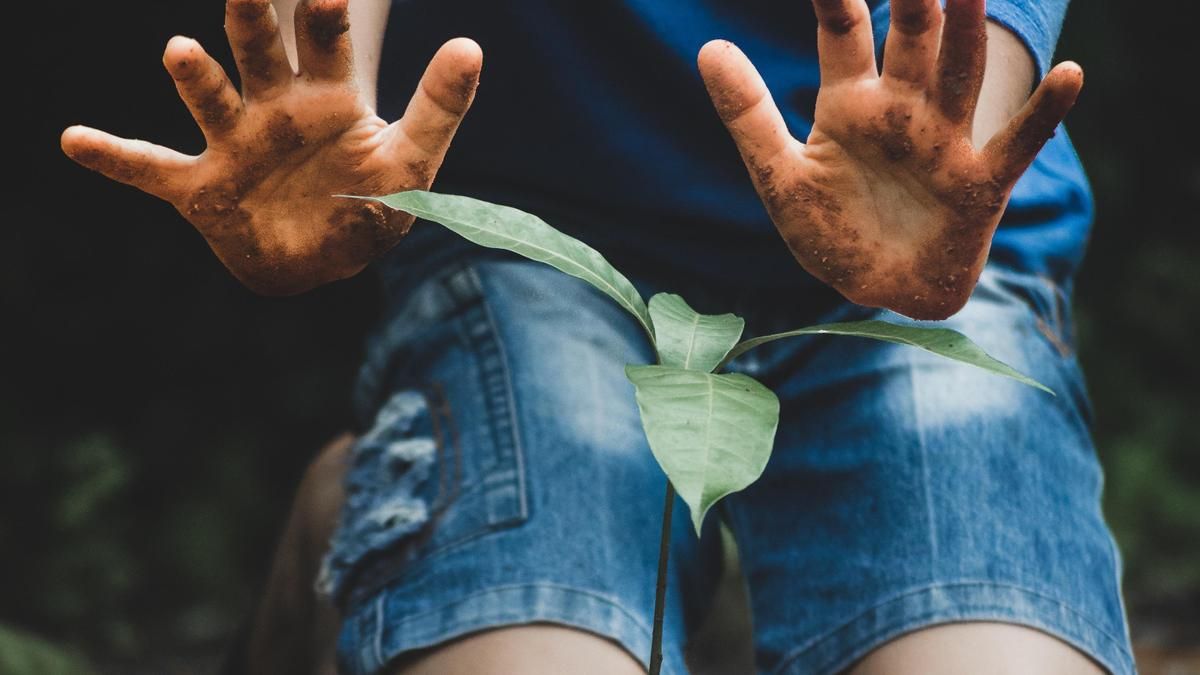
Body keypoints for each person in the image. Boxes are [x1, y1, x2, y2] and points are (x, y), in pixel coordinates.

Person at [61, 0, 1134, 673]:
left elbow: (961, 70)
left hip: (916, 262)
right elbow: (324, 44)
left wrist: (952, 151)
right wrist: (318, 98)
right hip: (543, 247)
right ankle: (370, 517)